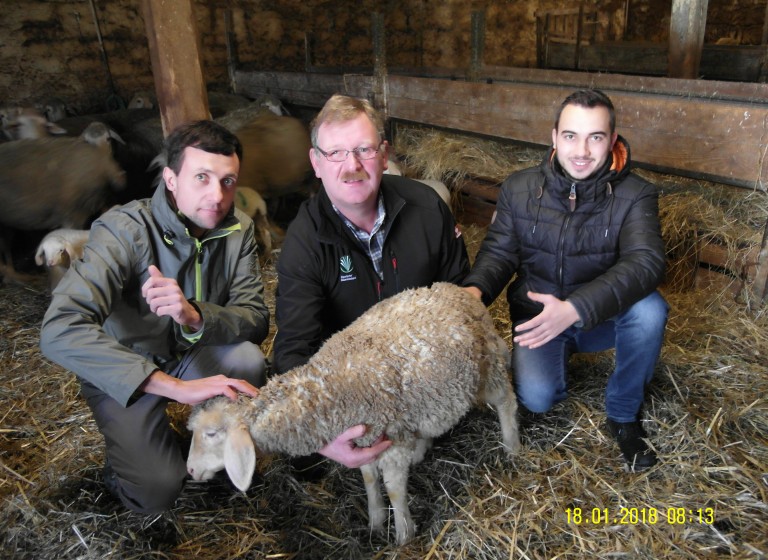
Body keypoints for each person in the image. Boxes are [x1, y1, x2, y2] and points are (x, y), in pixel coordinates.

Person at [39, 120, 382, 514]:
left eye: (228, 180)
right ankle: (125, 468)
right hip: (130, 365)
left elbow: (255, 320)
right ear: (171, 178)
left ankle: (219, 445)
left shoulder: (238, 230)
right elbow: (59, 329)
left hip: (190, 352)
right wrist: (174, 388)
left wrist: (195, 314)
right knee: (158, 489)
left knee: (247, 360)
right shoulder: (123, 232)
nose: (217, 195)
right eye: (201, 177)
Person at [463, 89, 668, 471]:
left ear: (612, 140)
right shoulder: (519, 188)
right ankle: (556, 354)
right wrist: (474, 292)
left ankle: (623, 416)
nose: (582, 151)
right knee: (538, 399)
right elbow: (500, 251)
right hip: (541, 319)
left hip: (598, 315)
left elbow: (646, 261)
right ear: (554, 137)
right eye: (571, 136)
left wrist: (575, 309)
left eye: (596, 137)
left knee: (650, 310)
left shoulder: (636, 194)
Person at [272, 94, 470, 469]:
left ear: (384, 155)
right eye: (335, 153)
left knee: (455, 437)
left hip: (422, 367)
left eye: (364, 149)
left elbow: (458, 295)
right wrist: (320, 432)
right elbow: (293, 347)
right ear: (316, 163)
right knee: (305, 462)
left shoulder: (428, 208)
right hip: (355, 382)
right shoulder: (303, 243)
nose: (352, 166)